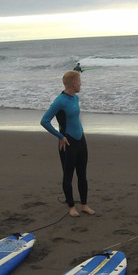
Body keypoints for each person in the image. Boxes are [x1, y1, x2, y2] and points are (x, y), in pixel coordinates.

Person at [40, 70, 95, 217]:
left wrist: (82, 133)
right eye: (79, 81)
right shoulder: (60, 101)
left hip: (80, 141)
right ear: (72, 84)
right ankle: (71, 206)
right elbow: (44, 121)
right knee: (68, 176)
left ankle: (84, 205)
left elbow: (75, 120)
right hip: (68, 143)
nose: (81, 84)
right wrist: (60, 136)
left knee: (82, 175)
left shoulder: (75, 98)